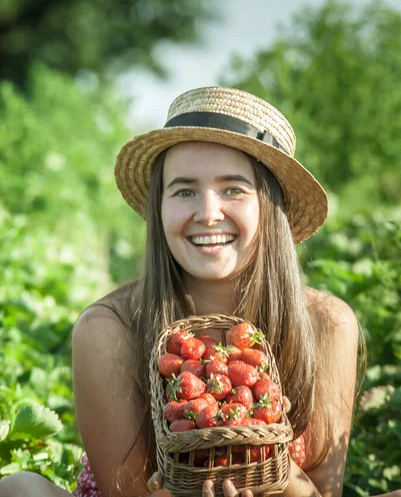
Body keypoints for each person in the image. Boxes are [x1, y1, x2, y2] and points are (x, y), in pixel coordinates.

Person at [0, 86, 399, 497]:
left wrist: (283, 481)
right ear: (160, 207)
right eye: (185, 190)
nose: (208, 213)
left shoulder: (327, 324)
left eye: (233, 189)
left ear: (271, 206)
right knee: (20, 489)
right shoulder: (109, 328)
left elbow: (322, 493)